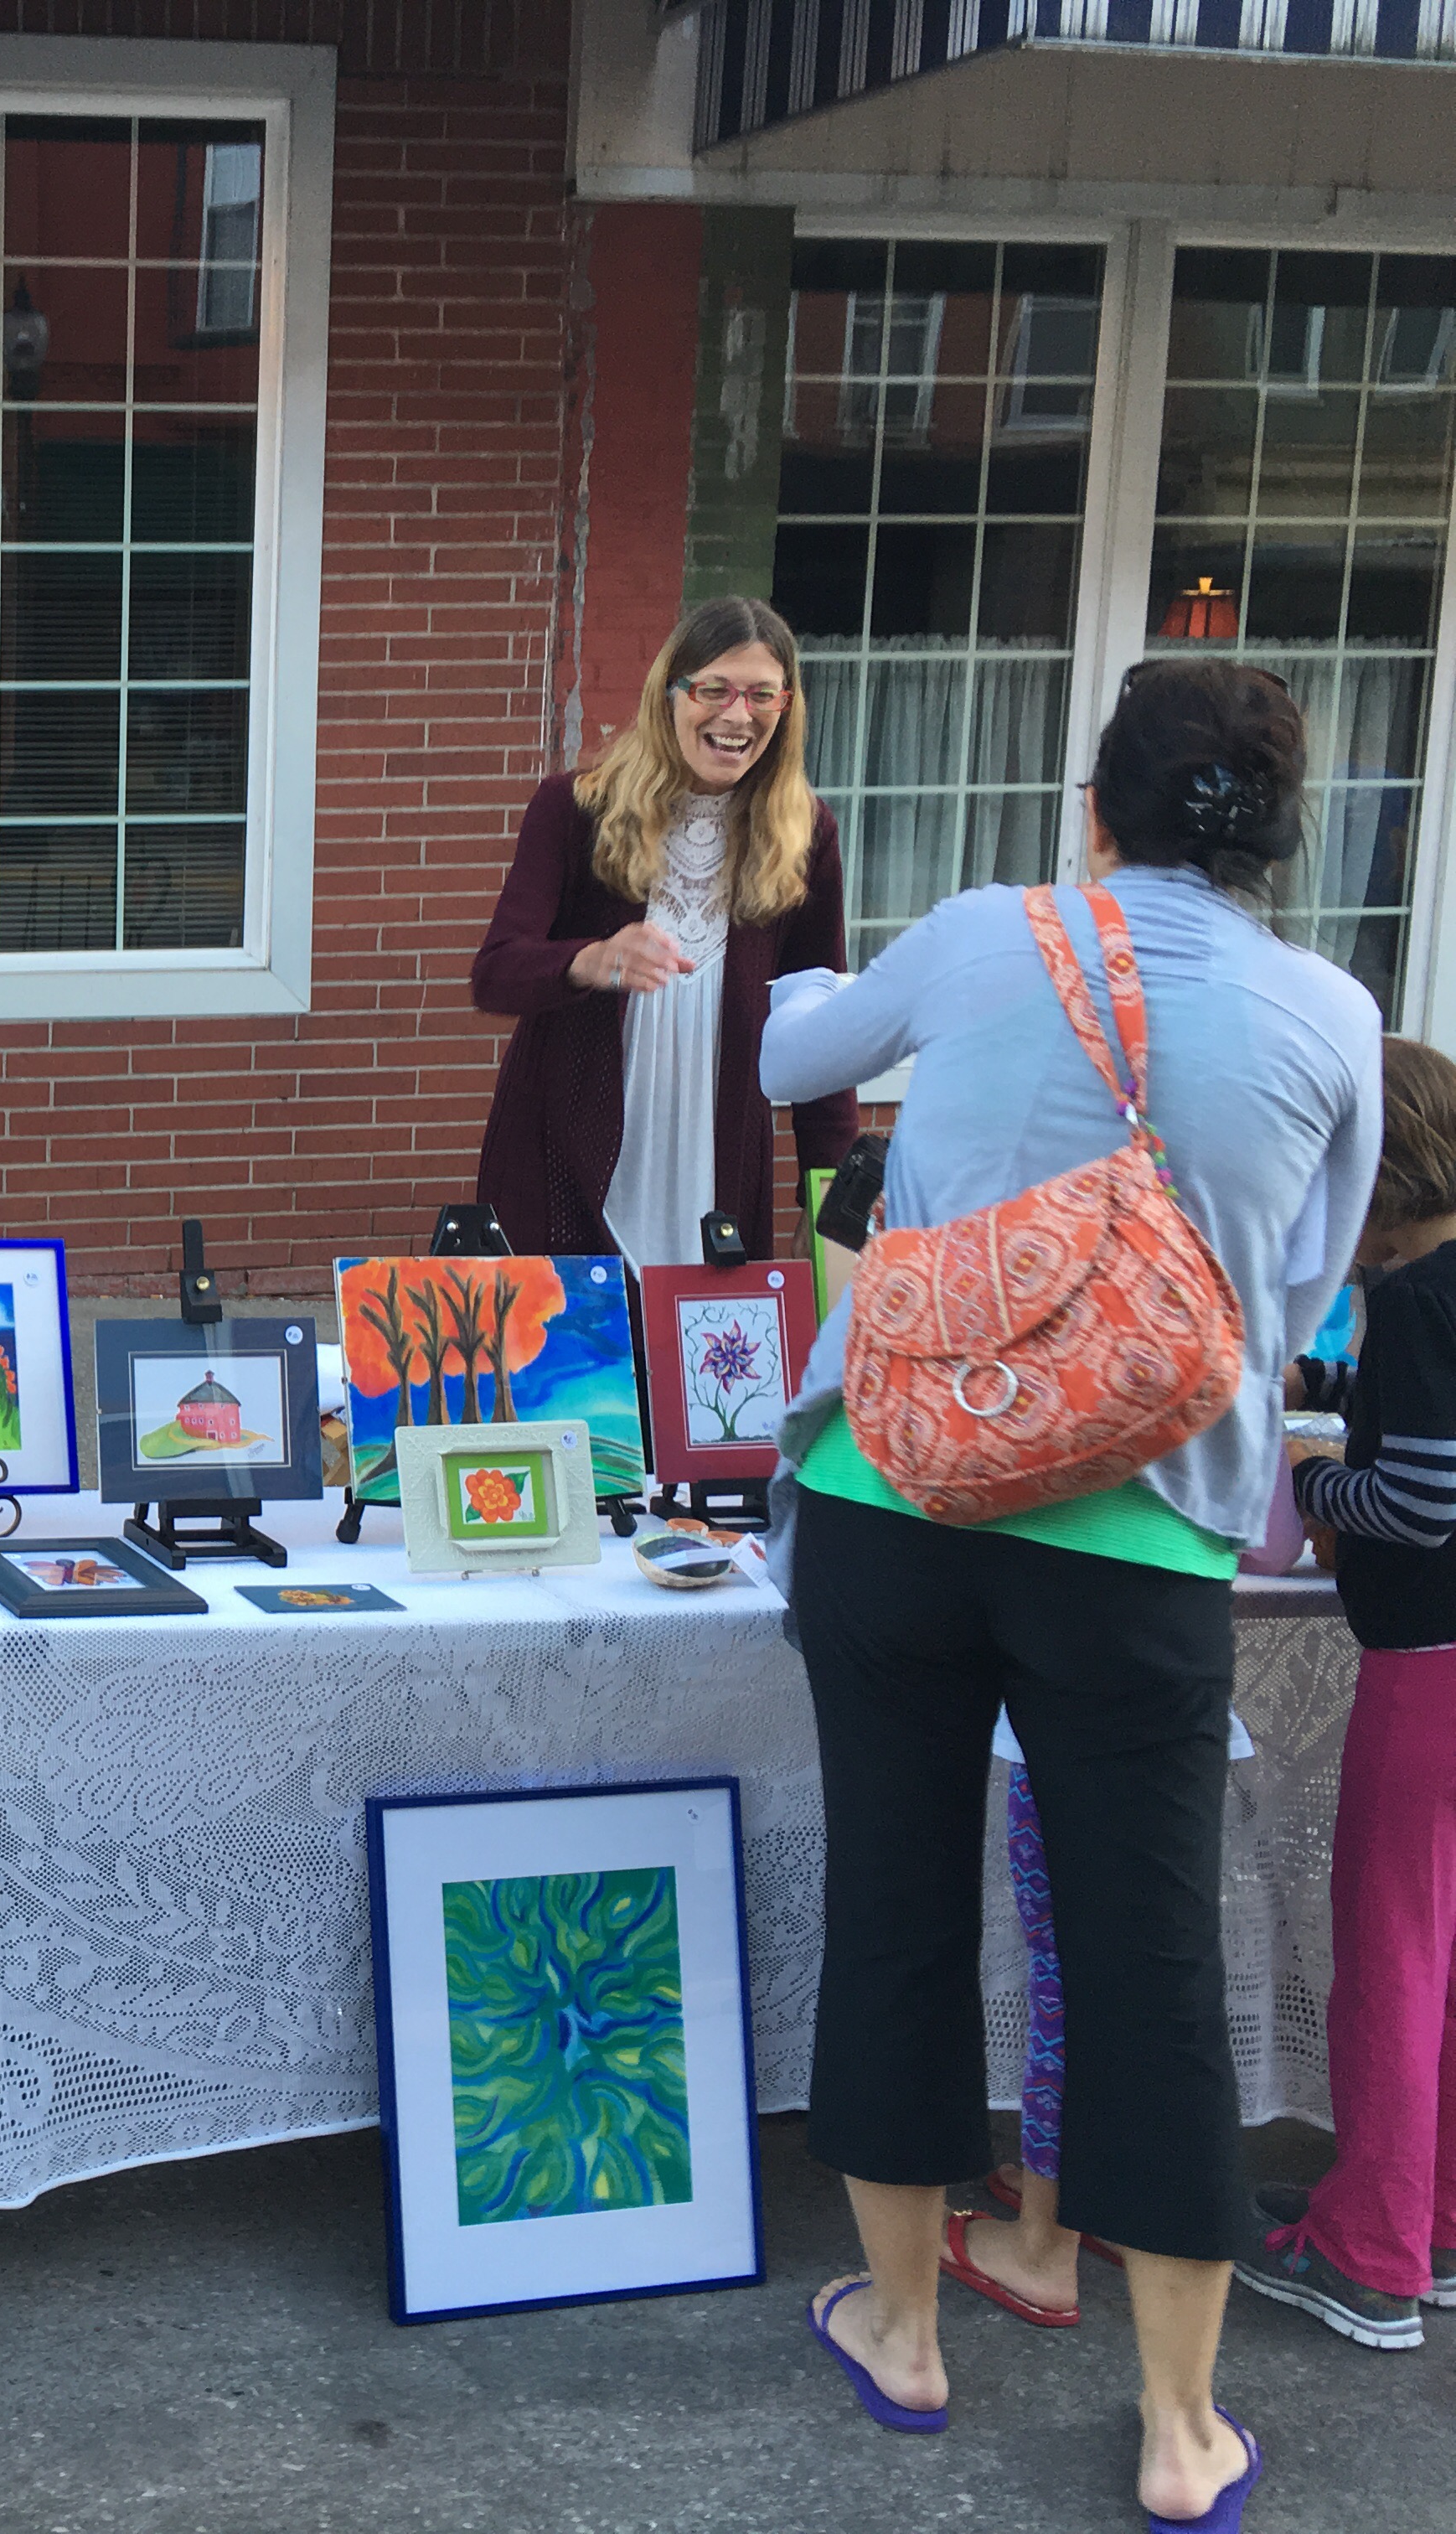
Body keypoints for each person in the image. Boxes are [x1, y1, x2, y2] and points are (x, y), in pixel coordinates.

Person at [758, 659, 1381, 2529]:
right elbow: (1298, 1282)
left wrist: (798, 992)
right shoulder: (1334, 1015)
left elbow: (794, 1065)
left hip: (896, 1495)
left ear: (1092, 811)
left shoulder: (982, 933)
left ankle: (904, 2327)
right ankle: (1182, 2427)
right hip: (1141, 1539)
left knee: (894, 1902)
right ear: (1279, 841)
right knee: (1148, 1958)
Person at [1237, 1033, 1456, 2350]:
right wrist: (1316, 1386)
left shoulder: (1416, 1298)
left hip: (1426, 1674)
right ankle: (1433, 2220)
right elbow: (1417, 1411)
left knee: (1389, 1959)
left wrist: (1311, 1484)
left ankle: (1368, 2254)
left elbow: (1421, 1499)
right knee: (1445, 1958)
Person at [472, 597, 855, 1265]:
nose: (738, 715)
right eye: (714, 689)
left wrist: (830, 1202)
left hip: (717, 1167)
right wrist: (589, 961)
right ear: (670, 693)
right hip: (564, 1160)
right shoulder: (575, 809)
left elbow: (824, 1034)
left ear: (785, 708)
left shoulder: (805, 835)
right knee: (568, 1337)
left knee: (707, 1332)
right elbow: (497, 974)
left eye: (762, 695)